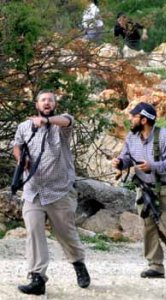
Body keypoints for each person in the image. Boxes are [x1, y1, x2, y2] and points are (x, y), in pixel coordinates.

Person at [13, 90, 91, 295]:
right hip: (33, 191)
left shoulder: (61, 126)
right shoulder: (24, 126)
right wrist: (22, 160)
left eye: (50, 100)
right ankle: (37, 277)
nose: (47, 103)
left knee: (65, 234)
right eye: (43, 100)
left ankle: (78, 263)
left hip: (60, 190)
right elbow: (17, 146)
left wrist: (47, 122)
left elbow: (67, 120)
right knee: (34, 230)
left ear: (54, 104)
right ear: (36, 104)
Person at [112, 102, 166, 278]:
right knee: (149, 226)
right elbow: (126, 157)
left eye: (133, 117)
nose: (130, 120)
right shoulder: (131, 138)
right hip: (144, 189)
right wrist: (120, 163)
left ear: (144, 120)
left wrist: (152, 167)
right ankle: (155, 266)